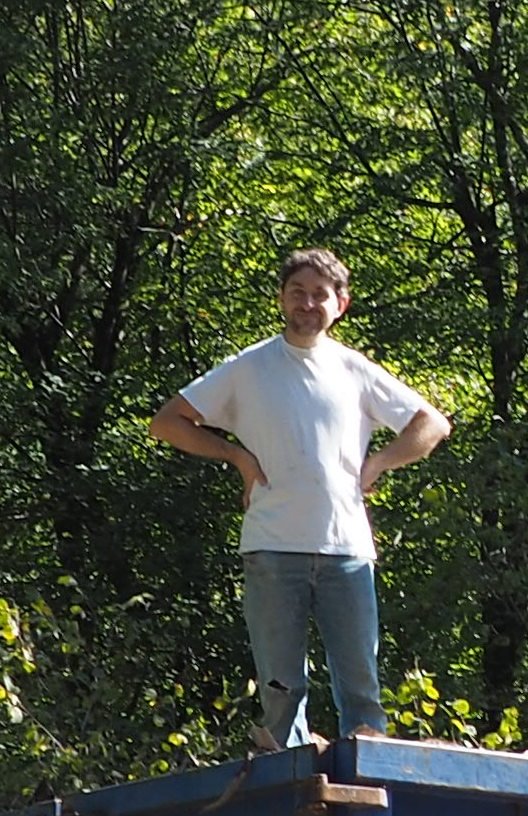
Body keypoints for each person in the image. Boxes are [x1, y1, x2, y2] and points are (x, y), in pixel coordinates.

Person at [149, 249, 449, 751]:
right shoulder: (248, 368)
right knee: (281, 687)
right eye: (297, 293)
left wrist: (378, 463)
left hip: (346, 550)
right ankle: (286, 774)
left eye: (319, 295)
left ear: (340, 304)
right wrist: (236, 455)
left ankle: (366, 772)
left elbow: (432, 423)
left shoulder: (355, 369)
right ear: (281, 299)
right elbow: (166, 422)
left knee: (360, 685)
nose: (308, 304)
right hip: (272, 547)